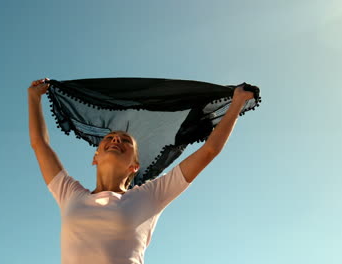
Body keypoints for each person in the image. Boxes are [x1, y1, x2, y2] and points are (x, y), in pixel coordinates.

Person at [28, 78, 254, 264]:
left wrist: (236, 103)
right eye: (109, 138)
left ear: (134, 166)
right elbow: (40, 144)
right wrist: (34, 97)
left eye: (125, 141)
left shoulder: (150, 195)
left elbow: (209, 151)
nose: (116, 138)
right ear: (95, 158)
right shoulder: (70, 193)